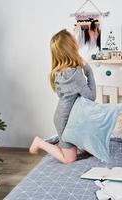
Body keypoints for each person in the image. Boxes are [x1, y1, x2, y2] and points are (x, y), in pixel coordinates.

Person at [29, 29, 96, 164]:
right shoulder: (75, 74)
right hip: (66, 121)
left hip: (65, 117)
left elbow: (63, 95)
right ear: (71, 47)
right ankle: (40, 142)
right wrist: (89, 71)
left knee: (87, 147)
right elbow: (91, 97)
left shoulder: (58, 72)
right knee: (69, 159)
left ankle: (65, 144)